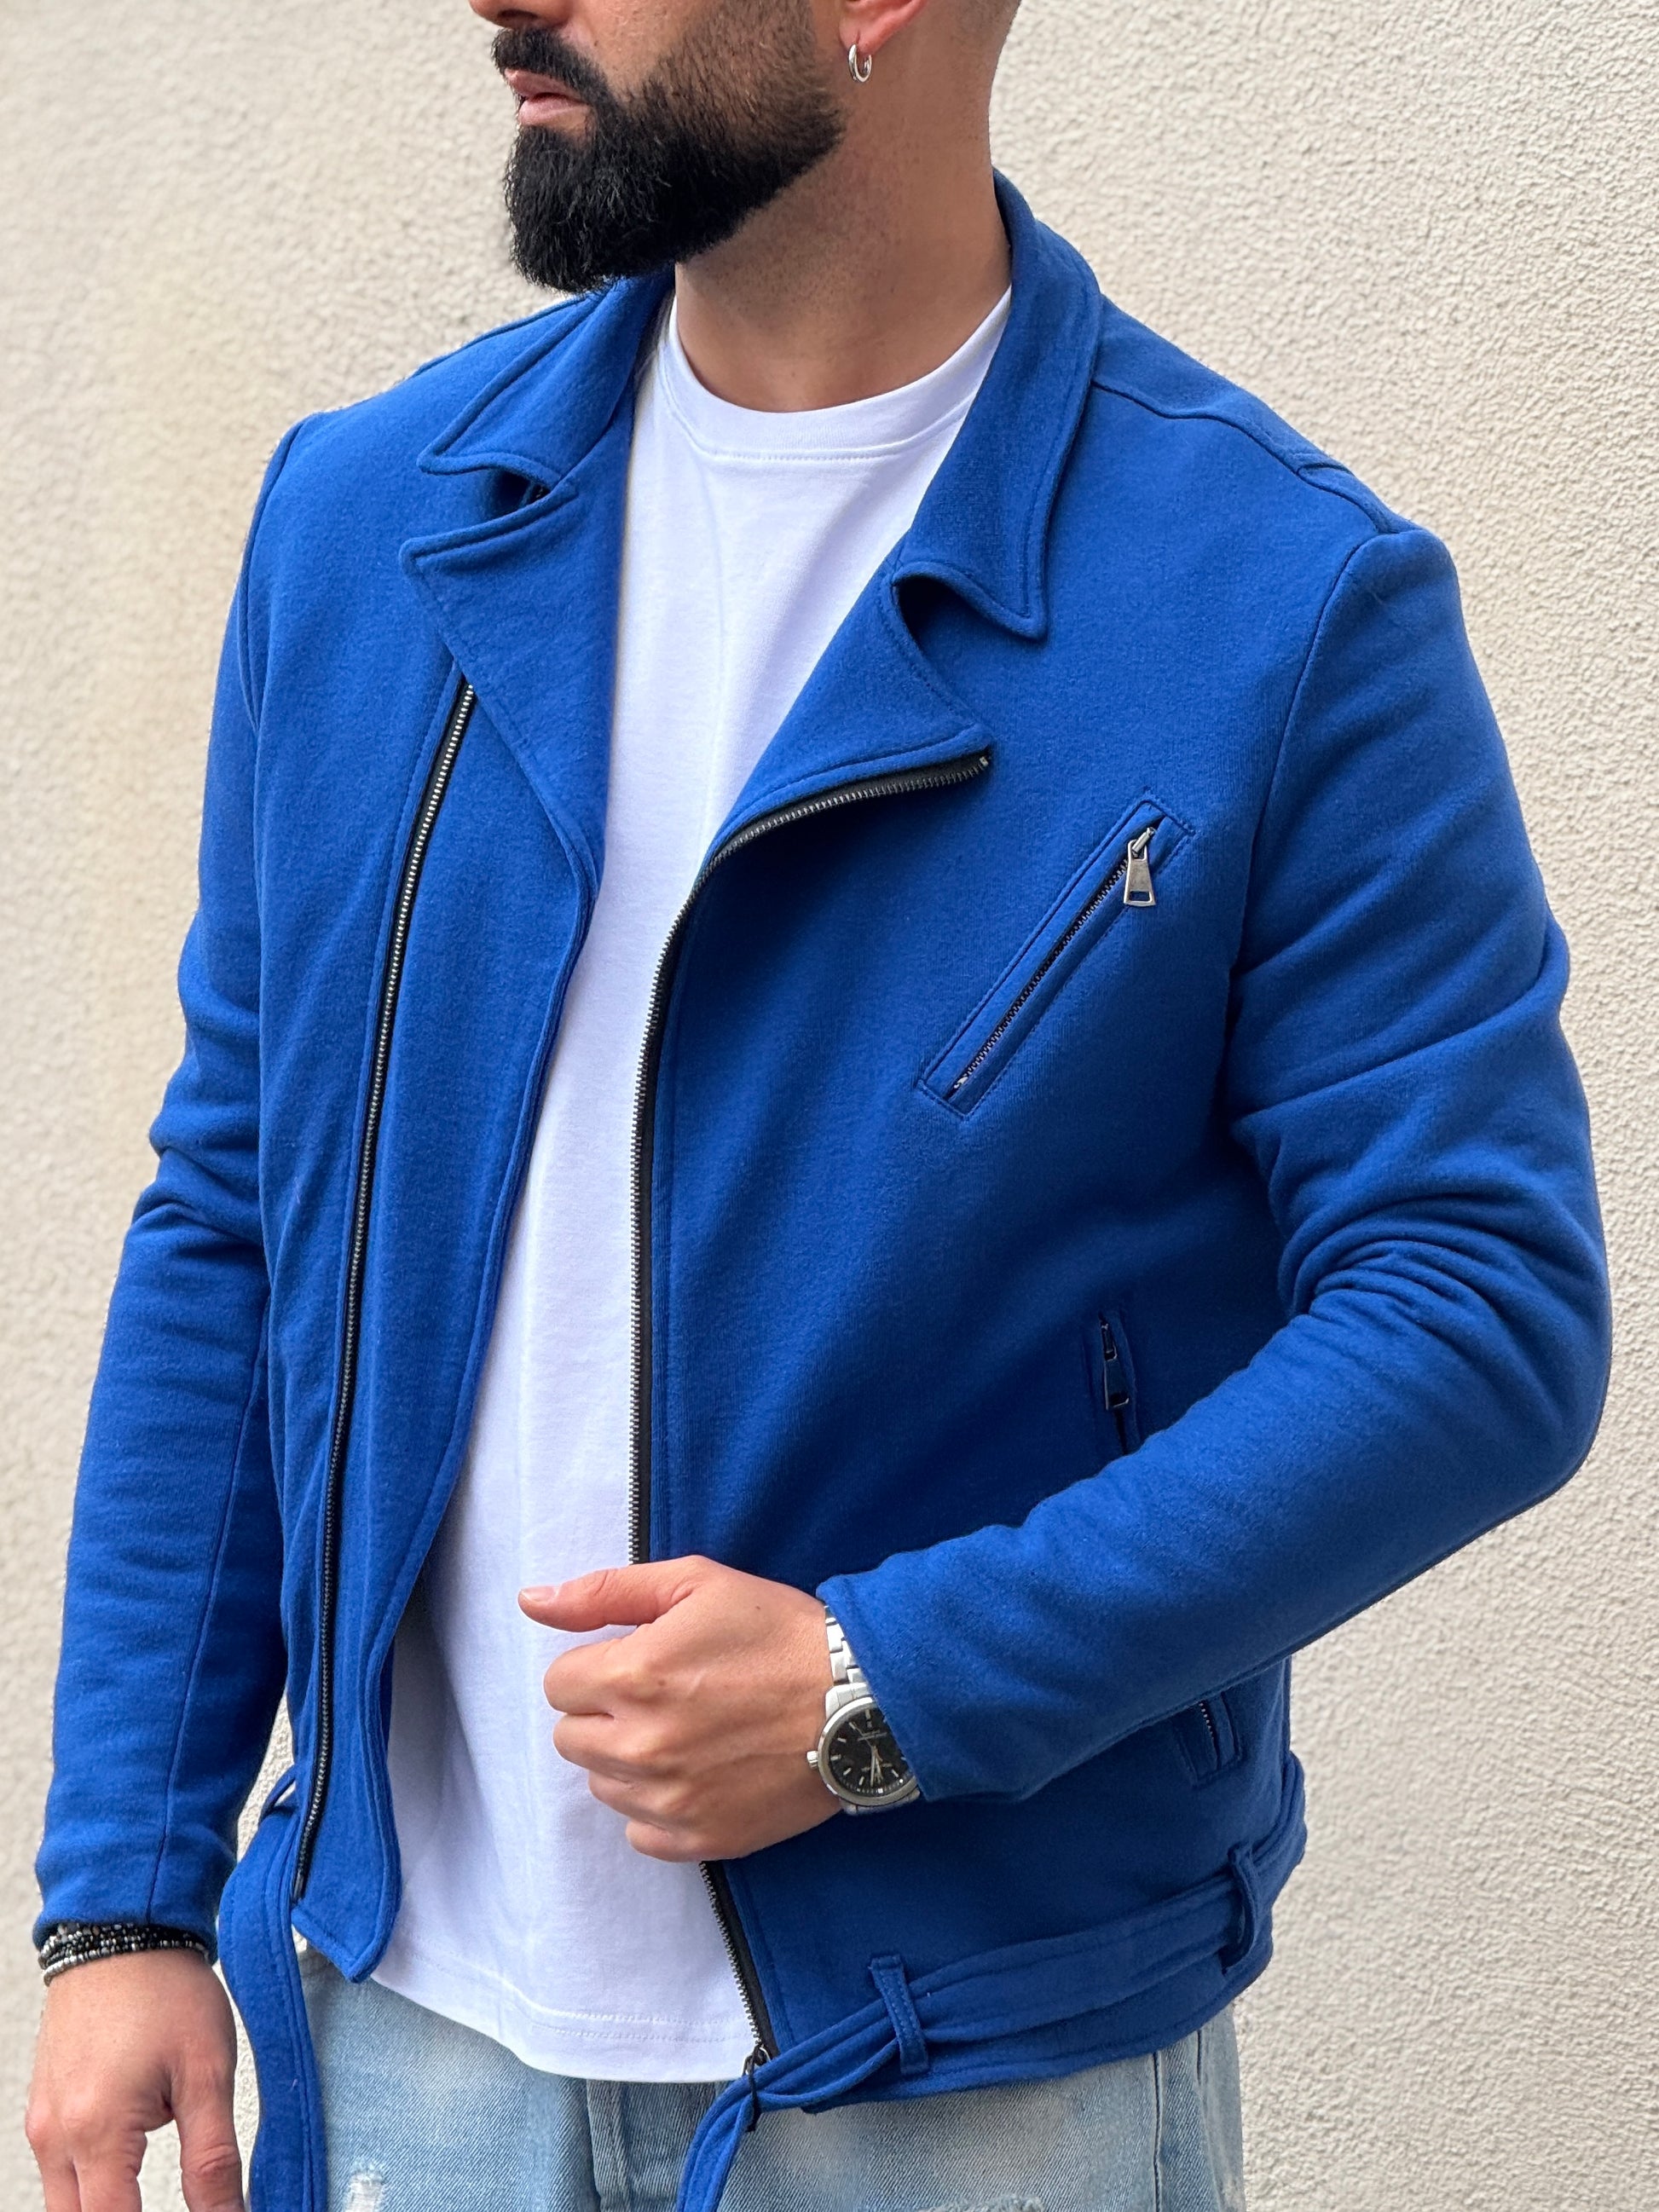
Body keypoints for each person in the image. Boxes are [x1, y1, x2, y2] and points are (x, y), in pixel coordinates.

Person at [26, 0, 1611, 2206]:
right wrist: (122, 1888)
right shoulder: (369, 523)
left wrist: (889, 1684)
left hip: (964, 2082)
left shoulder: (1277, 604)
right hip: (405, 2051)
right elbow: (239, 1209)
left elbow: (1475, 1308)